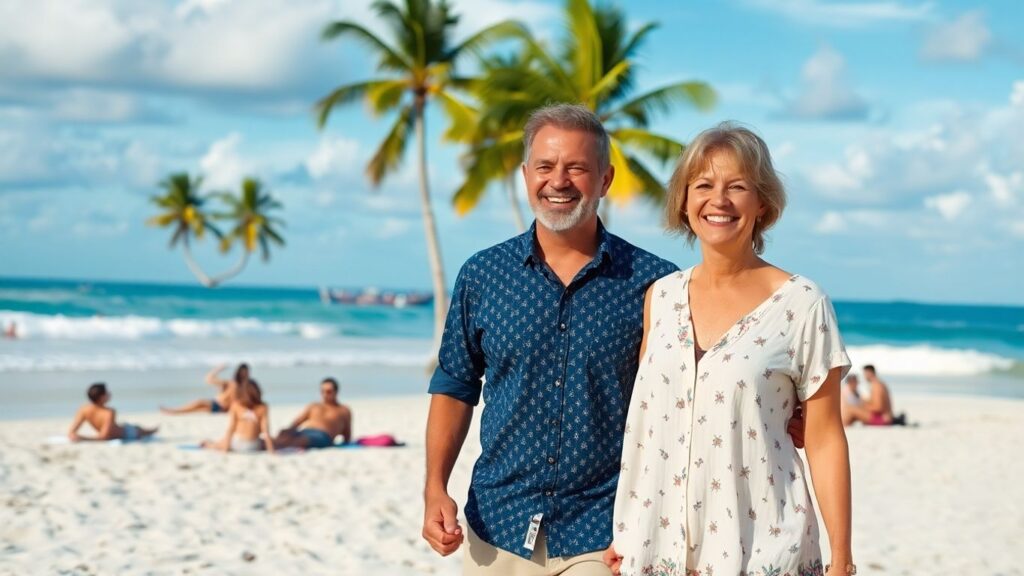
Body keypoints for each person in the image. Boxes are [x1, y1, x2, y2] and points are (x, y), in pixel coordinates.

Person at [605, 123, 854, 576]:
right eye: (703, 185)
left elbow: (824, 438)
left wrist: (842, 560)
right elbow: (645, 429)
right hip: (655, 553)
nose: (718, 200)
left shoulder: (801, 303)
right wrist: (626, 530)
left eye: (736, 186)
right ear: (684, 201)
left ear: (763, 204)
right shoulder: (660, 297)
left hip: (763, 553)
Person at [273, 377, 352, 449]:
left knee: (301, 440)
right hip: (306, 431)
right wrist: (290, 431)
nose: (325, 395)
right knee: (283, 433)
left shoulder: (343, 410)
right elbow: (298, 421)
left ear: (336, 392)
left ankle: (276, 446)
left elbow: (347, 434)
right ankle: (270, 444)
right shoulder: (314, 406)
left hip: (323, 436)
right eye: (322, 391)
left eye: (328, 392)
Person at [200, 377, 274, 454]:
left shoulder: (236, 405)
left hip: (237, 444)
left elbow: (231, 428)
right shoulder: (263, 407)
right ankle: (215, 444)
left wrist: (225, 449)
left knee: (219, 443)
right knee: (265, 441)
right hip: (254, 445)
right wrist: (271, 451)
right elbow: (266, 431)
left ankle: (209, 445)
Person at [68, 383, 158, 442]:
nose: (110, 394)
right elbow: (104, 437)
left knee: (142, 430)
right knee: (139, 429)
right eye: (107, 393)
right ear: (101, 397)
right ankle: (153, 430)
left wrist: (81, 438)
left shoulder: (83, 409)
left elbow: (72, 432)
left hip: (125, 430)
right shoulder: (109, 412)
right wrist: (79, 437)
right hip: (126, 433)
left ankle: (153, 430)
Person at [160, 363, 248, 415]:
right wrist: (218, 369)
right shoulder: (230, 383)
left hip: (219, 406)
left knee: (198, 403)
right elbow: (209, 379)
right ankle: (174, 411)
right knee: (195, 409)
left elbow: (238, 401)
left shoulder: (240, 386)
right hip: (217, 405)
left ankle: (174, 411)